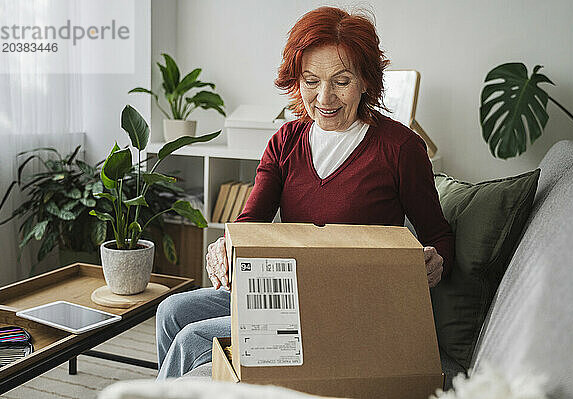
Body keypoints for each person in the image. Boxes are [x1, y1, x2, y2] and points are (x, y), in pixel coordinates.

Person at [155, 6, 454, 379]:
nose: (324, 97)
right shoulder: (286, 140)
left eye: (341, 81)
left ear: (366, 80)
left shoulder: (400, 147)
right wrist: (224, 247)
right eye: (311, 81)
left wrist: (435, 261)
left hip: (352, 309)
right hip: (282, 296)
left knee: (192, 338)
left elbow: (438, 233)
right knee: (171, 312)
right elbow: (250, 225)